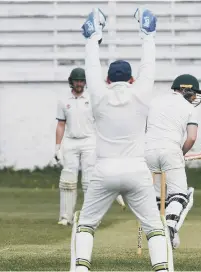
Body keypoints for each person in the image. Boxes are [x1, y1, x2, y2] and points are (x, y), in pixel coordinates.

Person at [70, 7, 173, 272]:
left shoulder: (99, 96)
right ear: (131, 78)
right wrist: (147, 36)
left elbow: (91, 67)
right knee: (153, 228)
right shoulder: (141, 93)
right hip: (137, 170)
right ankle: (161, 269)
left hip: (103, 170)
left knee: (86, 225)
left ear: (107, 79)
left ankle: (81, 268)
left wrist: (93, 38)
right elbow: (148, 67)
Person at [145, 74, 201, 249]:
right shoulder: (188, 108)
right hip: (171, 149)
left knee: (156, 197)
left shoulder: (154, 101)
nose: (194, 98)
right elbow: (191, 138)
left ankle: (156, 235)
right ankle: (170, 228)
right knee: (181, 195)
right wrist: (181, 152)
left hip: (147, 150)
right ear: (185, 89)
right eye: (193, 94)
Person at [55, 67, 96, 226]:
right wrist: (57, 147)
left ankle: (89, 218)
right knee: (67, 180)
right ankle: (66, 217)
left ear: (85, 82)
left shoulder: (92, 99)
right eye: (77, 80)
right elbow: (60, 124)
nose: (79, 83)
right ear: (71, 82)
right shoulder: (63, 101)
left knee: (89, 180)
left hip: (89, 141)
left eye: (82, 81)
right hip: (71, 141)